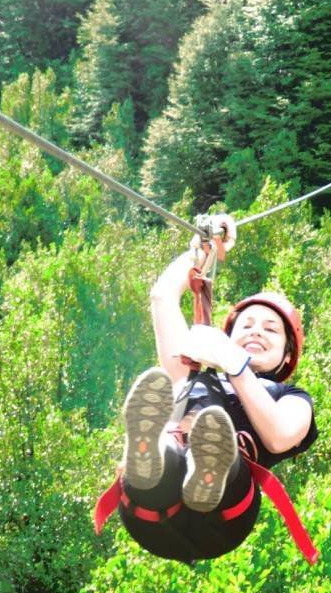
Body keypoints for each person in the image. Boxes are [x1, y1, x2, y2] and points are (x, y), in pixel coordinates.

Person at [94, 215, 318, 564]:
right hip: (152, 511)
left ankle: (209, 469)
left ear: (287, 353)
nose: (257, 332)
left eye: (271, 329)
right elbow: (162, 297)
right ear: (228, 338)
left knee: (217, 441)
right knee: (168, 440)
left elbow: (278, 436)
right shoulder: (194, 370)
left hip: (223, 518)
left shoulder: (291, 398)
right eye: (247, 325)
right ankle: (151, 456)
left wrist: (237, 367)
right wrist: (203, 253)